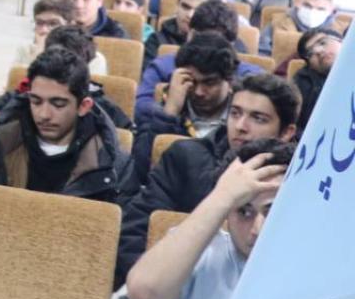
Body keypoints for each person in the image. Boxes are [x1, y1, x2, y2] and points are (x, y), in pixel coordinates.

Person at [116, 72, 300, 285]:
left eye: (258, 118)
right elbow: (134, 236)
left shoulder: (299, 179)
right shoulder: (185, 158)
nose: (241, 126)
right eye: (235, 113)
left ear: (287, 132)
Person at [124, 139, 292, 299]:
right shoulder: (199, 252)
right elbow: (144, 295)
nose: (257, 230)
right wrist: (222, 196)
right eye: (244, 212)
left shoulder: (309, 269)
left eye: (273, 212)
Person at [0, 48, 134, 202]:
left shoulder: (112, 165)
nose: (44, 114)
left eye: (58, 104)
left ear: (83, 106)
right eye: (36, 101)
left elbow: (125, 228)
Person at [137, 1, 263, 119]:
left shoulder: (249, 75)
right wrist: (170, 106)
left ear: (231, 45)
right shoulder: (162, 67)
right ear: (190, 35)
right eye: (202, 39)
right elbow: (140, 108)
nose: (207, 48)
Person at [15, 0, 109, 75]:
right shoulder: (25, 51)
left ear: (71, 25)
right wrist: (36, 58)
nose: (44, 30)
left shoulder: (94, 59)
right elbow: (18, 86)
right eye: (39, 23)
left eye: (53, 24)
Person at [261, 0, 341, 56]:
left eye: (320, 9)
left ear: (331, 10)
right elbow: (261, 55)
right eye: (307, 6)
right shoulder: (277, 23)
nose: (313, 12)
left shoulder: (339, 33)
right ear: (297, 2)